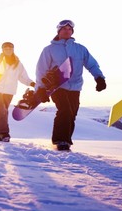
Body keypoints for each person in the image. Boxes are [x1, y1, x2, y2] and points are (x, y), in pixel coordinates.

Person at [34, 19, 106, 151]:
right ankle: (60, 140)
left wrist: (99, 78)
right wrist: (40, 89)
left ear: (72, 32)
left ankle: (65, 140)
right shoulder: (49, 50)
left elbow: (92, 64)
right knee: (65, 110)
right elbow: (41, 69)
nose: (66, 31)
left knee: (72, 113)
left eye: (69, 29)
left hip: (75, 86)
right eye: (64, 29)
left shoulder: (80, 49)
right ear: (58, 32)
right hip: (57, 86)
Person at [0, 42, 35, 142]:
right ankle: (4, 133)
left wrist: (31, 83)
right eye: (5, 48)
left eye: (10, 48)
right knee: (1, 110)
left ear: (13, 49)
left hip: (9, 91)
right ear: (2, 50)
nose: (8, 50)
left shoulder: (18, 64)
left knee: (4, 111)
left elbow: (23, 77)